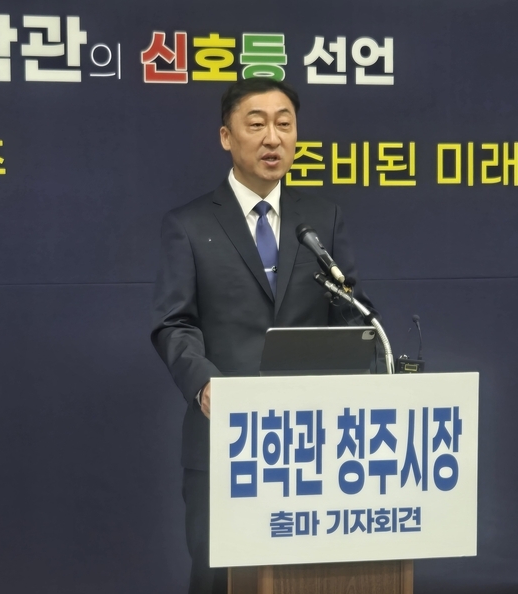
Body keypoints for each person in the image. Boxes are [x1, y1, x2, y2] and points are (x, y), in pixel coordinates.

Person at [150, 78, 377, 594]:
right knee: (220, 579)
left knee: (309, 576)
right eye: (256, 124)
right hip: (224, 439)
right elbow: (173, 323)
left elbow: (352, 313)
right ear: (226, 136)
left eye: (284, 124)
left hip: (314, 443)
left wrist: (359, 359)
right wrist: (205, 384)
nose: (273, 137)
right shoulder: (188, 225)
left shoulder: (322, 220)